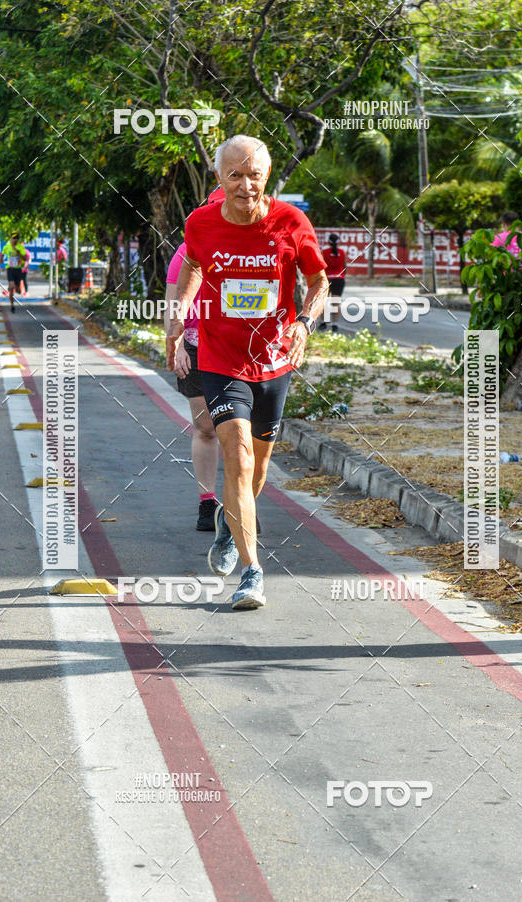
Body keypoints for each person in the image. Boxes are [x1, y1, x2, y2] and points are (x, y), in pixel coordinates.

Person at [167, 135, 328, 610]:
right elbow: (194, 263)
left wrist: (304, 322)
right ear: (219, 178)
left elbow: (318, 280)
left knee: (257, 470)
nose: (245, 184)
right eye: (234, 174)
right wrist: (179, 319)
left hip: (275, 358)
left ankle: (227, 520)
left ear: (267, 176)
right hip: (219, 357)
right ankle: (252, 569)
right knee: (235, 456)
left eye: (254, 173)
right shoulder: (201, 222)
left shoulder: (290, 223)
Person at [165, 187, 225, 531]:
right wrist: (178, 345)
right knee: (206, 429)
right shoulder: (186, 252)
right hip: (196, 348)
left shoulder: (252, 253)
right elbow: (173, 303)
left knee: (240, 433)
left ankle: (239, 506)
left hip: (239, 353)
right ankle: (207, 504)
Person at [320, 233, 346, 332]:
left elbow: (322, 266)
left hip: (327, 279)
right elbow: (344, 266)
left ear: (328, 242)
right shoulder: (342, 252)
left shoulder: (324, 252)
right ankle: (335, 324)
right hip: (339, 279)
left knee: (324, 302)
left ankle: (323, 323)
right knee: (336, 302)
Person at [1, 233, 29, 312]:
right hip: (10, 269)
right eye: (13, 238)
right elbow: (2, 256)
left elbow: (25, 258)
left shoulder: (20, 247)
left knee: (18, 291)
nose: (15, 239)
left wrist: (18, 252)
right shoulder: (7, 247)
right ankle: (12, 305)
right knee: (11, 287)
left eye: (16, 238)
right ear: (10, 238)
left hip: (18, 270)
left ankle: (16, 288)